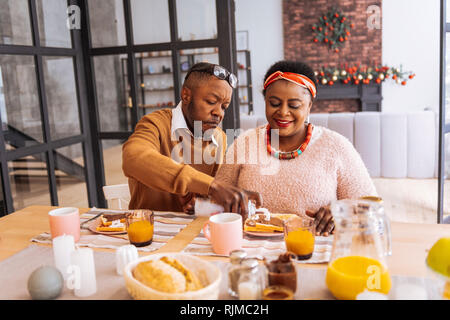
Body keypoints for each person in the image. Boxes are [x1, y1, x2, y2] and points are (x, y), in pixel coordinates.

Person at [215, 60, 377, 236]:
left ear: (309, 106)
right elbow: (217, 198)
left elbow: (372, 207)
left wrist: (341, 211)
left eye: (294, 105)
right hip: (250, 250)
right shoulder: (244, 143)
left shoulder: (336, 146)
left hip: (312, 252)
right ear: (265, 101)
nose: (283, 112)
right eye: (275, 103)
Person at [122, 62, 262, 216]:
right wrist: (211, 186)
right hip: (150, 231)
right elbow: (132, 158)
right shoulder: (156, 124)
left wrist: (203, 204)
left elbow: (210, 197)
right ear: (186, 95)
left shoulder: (219, 137)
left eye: (224, 106)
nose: (219, 113)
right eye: (211, 102)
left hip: (195, 232)